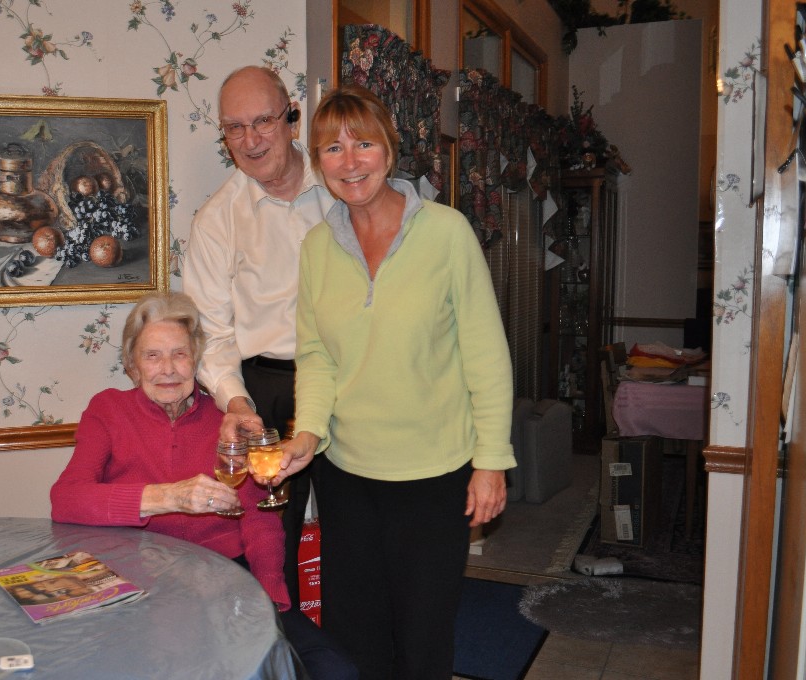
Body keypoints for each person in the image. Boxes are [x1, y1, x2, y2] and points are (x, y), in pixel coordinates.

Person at [271, 85, 517, 679]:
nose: (350, 161)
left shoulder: (446, 232)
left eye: (363, 144)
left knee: (422, 639)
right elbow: (317, 356)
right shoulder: (317, 247)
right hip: (347, 475)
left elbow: (486, 355)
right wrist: (308, 433)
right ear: (318, 162)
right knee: (355, 636)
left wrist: (491, 460)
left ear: (389, 149)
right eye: (332, 148)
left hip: (434, 474)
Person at [50, 291, 356, 680]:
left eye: (179, 354)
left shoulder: (226, 422)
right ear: (132, 366)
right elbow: (66, 499)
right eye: (152, 356)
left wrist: (268, 599)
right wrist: (167, 497)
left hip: (224, 581)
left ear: (196, 360)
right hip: (137, 586)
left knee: (333, 668)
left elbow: (259, 520)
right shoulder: (108, 410)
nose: (168, 369)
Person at [183, 65, 336, 608]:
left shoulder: (344, 186)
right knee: (274, 541)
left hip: (346, 379)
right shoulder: (216, 219)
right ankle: (284, 643)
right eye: (234, 128)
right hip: (264, 391)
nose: (250, 141)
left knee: (358, 526)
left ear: (291, 117)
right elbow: (210, 330)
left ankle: (356, 646)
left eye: (263, 122)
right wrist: (237, 403)